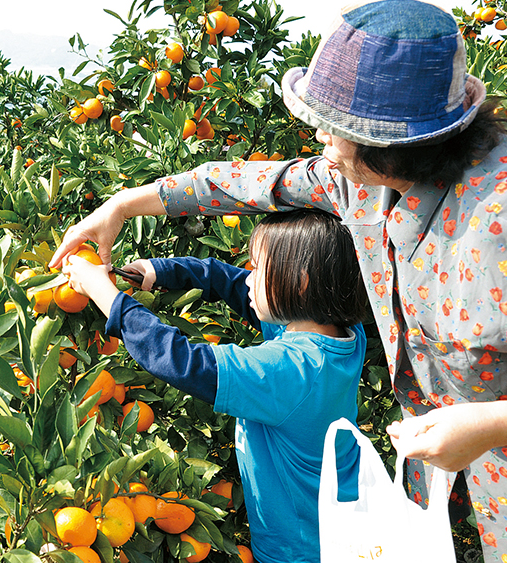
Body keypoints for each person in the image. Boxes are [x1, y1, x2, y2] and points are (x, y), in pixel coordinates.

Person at [50, 0, 507, 557]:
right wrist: (124, 205)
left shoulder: (496, 220)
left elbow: (188, 362)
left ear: (391, 145)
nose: (321, 145)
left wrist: (490, 423)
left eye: (333, 131)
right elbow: (245, 184)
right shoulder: (358, 181)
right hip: (425, 475)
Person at [63, 209, 368, 563]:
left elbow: (180, 360)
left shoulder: (291, 370)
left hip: (303, 549)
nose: (248, 278)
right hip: (343, 520)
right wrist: (163, 271)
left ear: (298, 283)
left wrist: (103, 292)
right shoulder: (337, 330)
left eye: (257, 268)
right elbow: (233, 283)